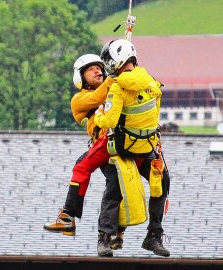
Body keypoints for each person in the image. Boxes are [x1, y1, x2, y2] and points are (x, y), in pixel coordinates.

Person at [94, 39, 171, 257]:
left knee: (113, 190)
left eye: (110, 62)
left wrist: (98, 116)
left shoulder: (118, 88)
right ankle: (154, 235)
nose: (108, 68)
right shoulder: (151, 82)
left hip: (124, 149)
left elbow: (108, 121)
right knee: (162, 182)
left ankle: (104, 239)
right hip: (147, 147)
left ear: (117, 61)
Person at [43, 54, 114, 236]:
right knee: (105, 179)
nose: (98, 71)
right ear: (80, 78)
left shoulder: (113, 89)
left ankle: (70, 217)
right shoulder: (79, 99)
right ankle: (107, 233)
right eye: (91, 69)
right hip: (105, 142)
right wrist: (114, 78)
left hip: (116, 141)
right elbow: (98, 97)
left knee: (84, 169)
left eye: (99, 68)